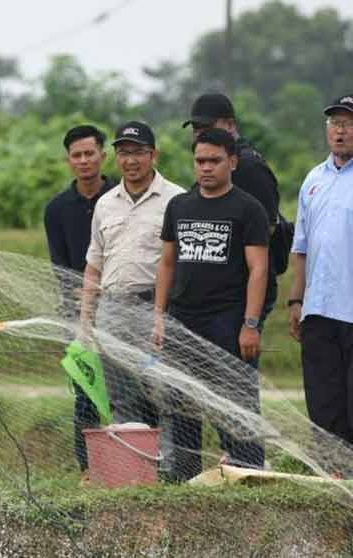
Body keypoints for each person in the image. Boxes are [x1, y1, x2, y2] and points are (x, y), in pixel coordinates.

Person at [153, 128, 269, 481]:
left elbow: (259, 269)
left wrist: (250, 324)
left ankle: (248, 470)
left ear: (232, 162)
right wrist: (159, 316)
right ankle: (184, 473)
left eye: (214, 161)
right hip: (182, 318)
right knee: (180, 400)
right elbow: (167, 263)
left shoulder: (248, 209)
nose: (206, 168)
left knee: (235, 400)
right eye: (200, 160)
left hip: (227, 320)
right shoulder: (179, 205)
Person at [80, 122, 185, 430]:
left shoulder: (176, 200)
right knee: (120, 395)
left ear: (153, 155)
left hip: (156, 309)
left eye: (138, 152)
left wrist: (162, 313)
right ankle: (131, 470)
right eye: (123, 153)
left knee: (165, 394)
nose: (130, 160)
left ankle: (169, 470)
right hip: (112, 310)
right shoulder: (105, 203)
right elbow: (94, 265)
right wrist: (86, 319)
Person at [44, 125, 118, 474]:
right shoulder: (57, 209)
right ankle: (89, 468)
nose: (85, 160)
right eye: (77, 155)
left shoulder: (120, 197)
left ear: (103, 156)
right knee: (86, 391)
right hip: (79, 312)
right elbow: (60, 267)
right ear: (68, 161)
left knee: (127, 390)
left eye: (91, 153)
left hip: (121, 308)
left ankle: (131, 464)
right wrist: (86, 297)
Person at [183, 93, 289, 322]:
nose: (201, 134)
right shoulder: (209, 165)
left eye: (207, 126)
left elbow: (266, 230)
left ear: (230, 125)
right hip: (212, 296)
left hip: (241, 294)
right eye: (196, 128)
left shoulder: (249, 165)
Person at [287, 94, 353, 445]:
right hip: (319, 310)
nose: (341, 131)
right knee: (324, 403)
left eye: (349, 124)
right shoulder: (314, 179)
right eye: (335, 123)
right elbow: (302, 248)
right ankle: (334, 479)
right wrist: (296, 301)